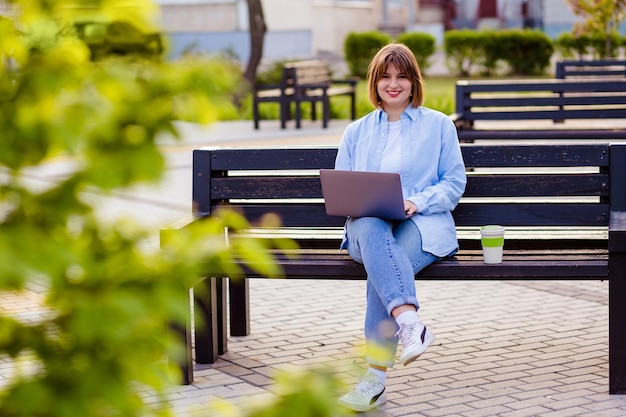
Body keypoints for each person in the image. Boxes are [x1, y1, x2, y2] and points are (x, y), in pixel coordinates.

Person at [336, 43, 466, 412]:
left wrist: (417, 201)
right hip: (367, 228)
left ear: (413, 82)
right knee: (373, 228)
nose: (393, 85)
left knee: (384, 272)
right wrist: (363, 205)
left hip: (421, 225)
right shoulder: (355, 132)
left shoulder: (439, 125)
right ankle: (410, 322)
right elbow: (343, 186)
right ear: (375, 84)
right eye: (385, 77)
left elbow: (454, 184)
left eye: (401, 77)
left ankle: (374, 381)